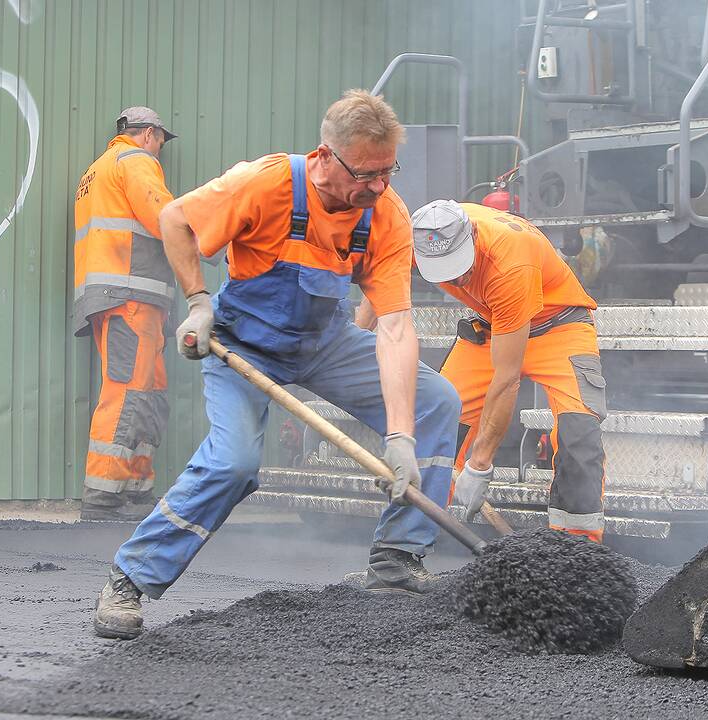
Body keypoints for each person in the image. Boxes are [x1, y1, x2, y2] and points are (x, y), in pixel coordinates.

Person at [92, 90, 460, 640]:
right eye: (367, 173)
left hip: (324, 343)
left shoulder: (385, 214)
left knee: (437, 402)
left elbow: (394, 327)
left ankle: (397, 558)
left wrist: (402, 434)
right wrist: (197, 304)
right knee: (234, 463)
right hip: (243, 343)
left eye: (388, 171)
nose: (379, 186)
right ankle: (132, 577)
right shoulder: (265, 183)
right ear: (325, 158)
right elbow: (174, 220)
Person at [405, 200, 608, 542]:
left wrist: (479, 464)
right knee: (439, 427)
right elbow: (378, 284)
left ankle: (576, 550)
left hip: (558, 327)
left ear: (471, 236)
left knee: (578, 434)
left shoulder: (510, 260)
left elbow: (507, 377)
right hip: (490, 328)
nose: (456, 279)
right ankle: (405, 547)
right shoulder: (419, 240)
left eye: (461, 268)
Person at [74, 107, 177, 522]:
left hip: (119, 297)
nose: (161, 152)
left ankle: (136, 488)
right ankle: (102, 496)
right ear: (150, 134)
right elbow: (164, 217)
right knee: (128, 391)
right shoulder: (135, 161)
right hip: (130, 294)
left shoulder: (96, 171)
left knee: (148, 392)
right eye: (162, 143)